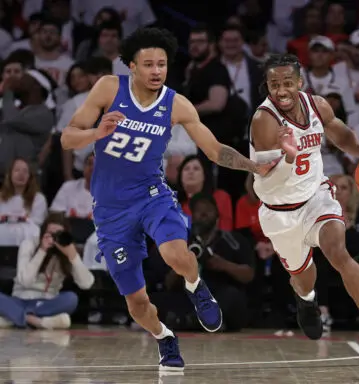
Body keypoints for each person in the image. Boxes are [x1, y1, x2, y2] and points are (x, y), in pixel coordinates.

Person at [60, 27, 275, 371]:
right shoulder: (108, 88)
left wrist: (254, 166)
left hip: (151, 195)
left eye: (162, 64)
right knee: (136, 301)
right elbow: (67, 139)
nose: (157, 70)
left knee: (176, 253)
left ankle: (196, 286)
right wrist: (95, 133)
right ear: (131, 66)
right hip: (111, 210)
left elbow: (215, 149)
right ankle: (164, 338)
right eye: (148, 64)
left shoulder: (177, 104)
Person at [250, 53, 359, 364]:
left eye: (287, 83)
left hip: (317, 195)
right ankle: (306, 300)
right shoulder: (264, 121)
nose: (281, 90)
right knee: (303, 277)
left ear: (300, 83)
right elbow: (270, 180)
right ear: (267, 86)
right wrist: (288, 156)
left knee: (338, 251)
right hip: (280, 210)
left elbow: (338, 132)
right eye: (274, 84)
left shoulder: (317, 105)